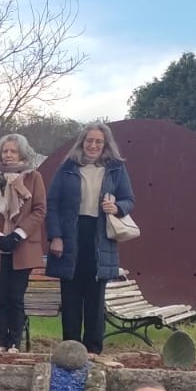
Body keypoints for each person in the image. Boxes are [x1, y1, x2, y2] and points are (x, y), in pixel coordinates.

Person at [45, 122, 135, 355]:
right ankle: (71, 349)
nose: (93, 145)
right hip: (71, 235)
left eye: (98, 141)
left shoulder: (116, 168)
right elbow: (52, 203)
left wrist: (116, 206)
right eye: (89, 141)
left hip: (100, 235)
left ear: (105, 144)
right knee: (71, 296)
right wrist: (55, 236)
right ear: (82, 142)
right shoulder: (67, 167)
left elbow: (129, 200)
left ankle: (93, 350)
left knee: (95, 298)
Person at [0, 134, 47, 353]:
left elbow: (39, 209)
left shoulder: (34, 178)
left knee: (16, 297)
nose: (8, 155)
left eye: (12, 151)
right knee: (0, 298)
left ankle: (15, 341)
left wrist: (18, 234)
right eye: (5, 151)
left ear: (22, 154)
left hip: (22, 247)